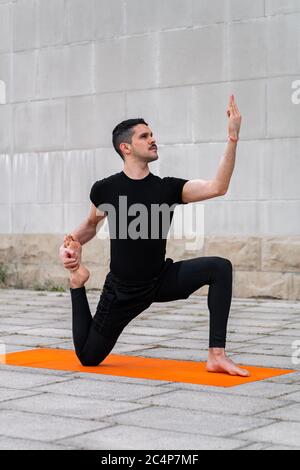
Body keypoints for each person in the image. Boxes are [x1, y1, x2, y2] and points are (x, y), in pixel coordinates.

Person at [59, 95, 250, 377]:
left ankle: (216, 355)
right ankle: (77, 284)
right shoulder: (105, 189)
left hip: (159, 280)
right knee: (88, 357)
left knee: (220, 267)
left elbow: (217, 187)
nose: (152, 139)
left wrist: (232, 138)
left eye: (152, 134)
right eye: (144, 136)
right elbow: (90, 226)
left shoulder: (167, 189)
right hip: (122, 291)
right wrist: (71, 244)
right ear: (125, 147)